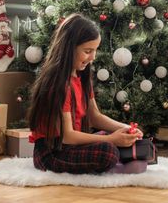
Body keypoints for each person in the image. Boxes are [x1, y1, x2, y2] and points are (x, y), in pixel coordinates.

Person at [28, 13, 146, 174]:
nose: (93, 57)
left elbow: (94, 116)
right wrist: (111, 139)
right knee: (108, 151)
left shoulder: (81, 77)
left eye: (95, 50)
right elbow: (67, 136)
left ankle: (119, 158)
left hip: (72, 144)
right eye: (88, 51)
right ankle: (117, 163)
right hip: (53, 152)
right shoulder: (59, 85)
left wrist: (125, 128)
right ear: (69, 48)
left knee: (115, 139)